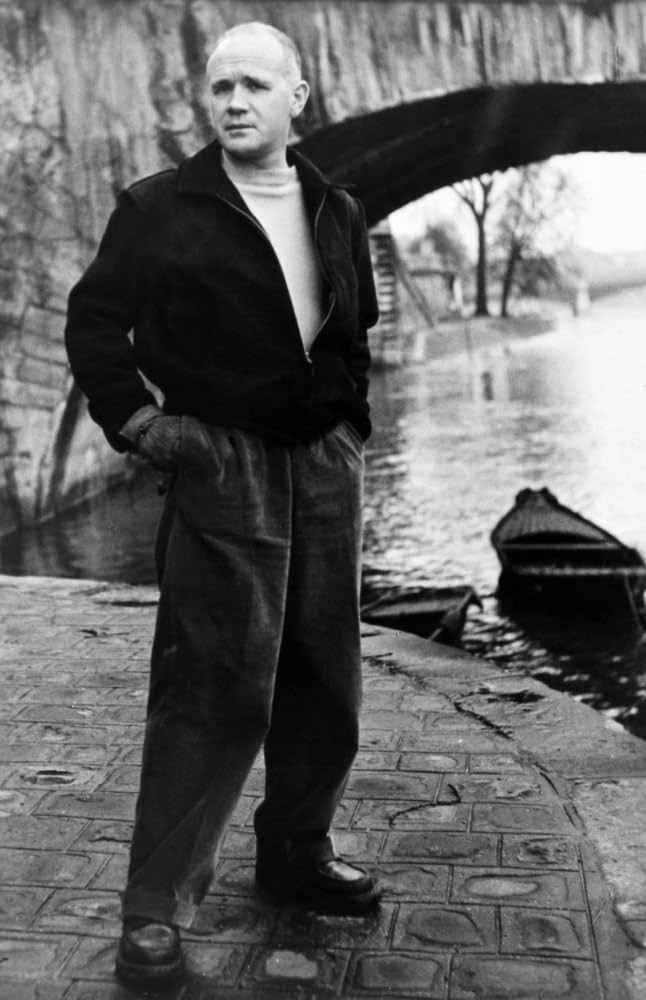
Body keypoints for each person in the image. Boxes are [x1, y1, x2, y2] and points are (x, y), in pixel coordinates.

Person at [64, 20, 380, 987]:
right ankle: (155, 908)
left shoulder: (337, 208)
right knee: (210, 685)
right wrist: (146, 427)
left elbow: (354, 328)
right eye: (220, 86)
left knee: (325, 676)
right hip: (222, 466)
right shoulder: (159, 207)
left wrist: (350, 428)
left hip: (322, 467)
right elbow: (93, 322)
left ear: (298, 97)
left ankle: (296, 850)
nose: (235, 101)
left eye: (255, 85)